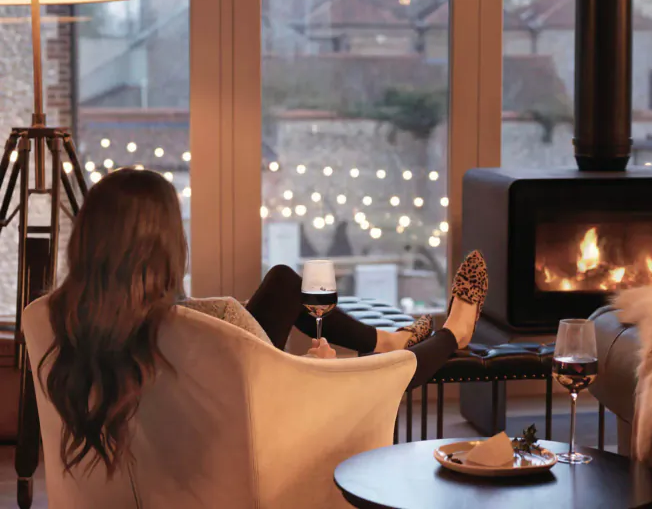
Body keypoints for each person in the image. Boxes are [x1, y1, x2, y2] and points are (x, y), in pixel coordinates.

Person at [28, 168, 488, 477]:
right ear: (164, 244)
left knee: (284, 282)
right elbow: (276, 398)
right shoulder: (200, 326)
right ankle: (453, 332)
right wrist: (322, 371)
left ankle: (383, 339)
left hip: (197, 417)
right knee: (387, 373)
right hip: (264, 439)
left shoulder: (55, 315)